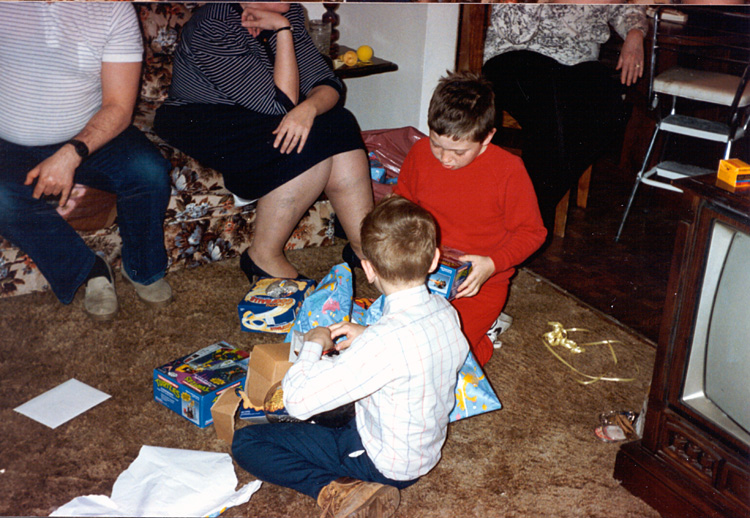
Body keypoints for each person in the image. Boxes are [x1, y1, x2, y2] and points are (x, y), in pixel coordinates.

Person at [232, 195, 469, 518]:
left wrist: (312, 345)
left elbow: (298, 402)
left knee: (247, 442)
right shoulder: (446, 312)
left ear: (368, 269)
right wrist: (368, 334)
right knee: (335, 407)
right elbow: (413, 353)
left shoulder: (383, 343)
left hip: (384, 464)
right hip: (420, 446)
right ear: (434, 260)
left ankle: (334, 489)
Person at [154, 3, 373, 282]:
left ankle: (363, 248)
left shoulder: (290, 10)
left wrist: (309, 109)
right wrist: (283, 32)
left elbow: (327, 82)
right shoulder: (213, 24)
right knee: (307, 140)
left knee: (339, 121)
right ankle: (263, 256)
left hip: (262, 111)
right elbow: (279, 104)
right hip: (202, 116)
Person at [0, 2, 173, 321]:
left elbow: (119, 108)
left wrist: (71, 153)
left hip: (88, 134)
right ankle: (90, 268)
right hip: (8, 142)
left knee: (149, 172)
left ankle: (142, 268)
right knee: (3, 200)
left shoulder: (113, 9)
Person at [394, 71, 546, 367]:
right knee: (397, 345)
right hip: (421, 273)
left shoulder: (508, 170)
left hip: (479, 282)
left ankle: (485, 336)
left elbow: (533, 233)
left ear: (487, 137)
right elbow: (403, 204)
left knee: (445, 362)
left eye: (459, 151)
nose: (445, 158)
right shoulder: (420, 152)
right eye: (437, 144)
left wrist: (493, 264)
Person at [482, 3, 648, 237]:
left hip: (579, 62)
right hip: (516, 55)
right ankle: (527, 226)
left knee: (609, 108)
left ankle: (519, 219)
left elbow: (625, 7)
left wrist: (635, 32)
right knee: (552, 114)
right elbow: (513, 31)